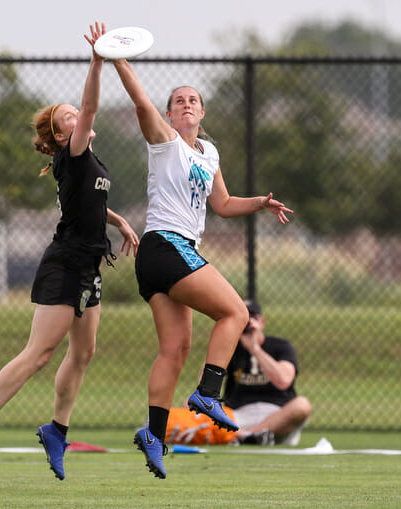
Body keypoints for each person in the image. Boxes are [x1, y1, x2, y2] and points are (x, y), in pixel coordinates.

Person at [0, 22, 139, 481]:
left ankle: (57, 430)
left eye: (76, 114)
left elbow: (88, 202)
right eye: (69, 118)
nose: (79, 117)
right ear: (61, 137)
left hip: (88, 267)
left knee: (84, 353)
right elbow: (95, 104)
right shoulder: (74, 152)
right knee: (39, 354)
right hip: (64, 265)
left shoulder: (89, 163)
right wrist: (97, 61)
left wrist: (117, 220)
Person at [112, 58, 293, 478]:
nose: (187, 104)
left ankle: (155, 437)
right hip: (166, 245)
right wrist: (116, 57)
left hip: (162, 257)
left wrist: (261, 204)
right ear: (171, 113)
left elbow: (224, 205)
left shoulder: (208, 152)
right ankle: (208, 394)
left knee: (174, 351)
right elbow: (140, 103)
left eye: (194, 100)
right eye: (179, 101)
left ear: (203, 112)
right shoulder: (165, 140)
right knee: (237, 313)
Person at [224, 299, 311, 446]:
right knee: (193, 403)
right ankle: (245, 436)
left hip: (276, 420)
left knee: (302, 405)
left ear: (262, 322)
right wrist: (226, 340)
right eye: (244, 318)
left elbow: (283, 381)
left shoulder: (281, 346)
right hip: (238, 418)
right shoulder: (230, 347)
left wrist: (254, 348)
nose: (248, 323)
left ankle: (248, 436)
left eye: (253, 318)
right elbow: (205, 382)